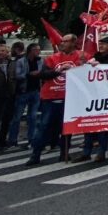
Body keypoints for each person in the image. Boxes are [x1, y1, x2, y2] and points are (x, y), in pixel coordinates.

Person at [26, 34, 87, 165]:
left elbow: (88, 73)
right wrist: (59, 71)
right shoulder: (52, 58)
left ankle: (64, 153)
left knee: (66, 128)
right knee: (44, 126)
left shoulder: (81, 57)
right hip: (50, 97)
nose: (61, 44)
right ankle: (35, 154)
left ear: (73, 43)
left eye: (65, 41)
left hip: (69, 98)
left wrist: (84, 66)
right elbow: (43, 74)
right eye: (61, 41)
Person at [73, 36, 108, 163]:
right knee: (89, 125)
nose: (101, 46)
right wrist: (83, 65)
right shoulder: (94, 57)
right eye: (100, 43)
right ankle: (86, 151)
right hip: (91, 96)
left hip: (105, 96)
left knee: (102, 126)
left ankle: (101, 152)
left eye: (104, 44)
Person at [6, 43, 42, 148]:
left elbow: (42, 71)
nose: (38, 52)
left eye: (39, 50)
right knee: (17, 117)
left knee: (33, 116)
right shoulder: (21, 61)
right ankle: (12, 140)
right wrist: (29, 74)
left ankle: (32, 139)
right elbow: (17, 75)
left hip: (35, 91)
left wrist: (40, 74)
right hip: (23, 91)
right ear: (31, 50)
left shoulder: (40, 61)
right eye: (36, 50)